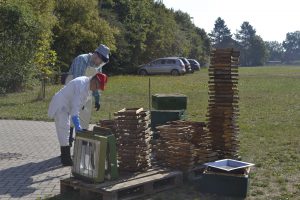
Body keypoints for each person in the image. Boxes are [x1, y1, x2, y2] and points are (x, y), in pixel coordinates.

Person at [48, 73, 108, 166]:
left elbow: (78, 105)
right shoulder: (81, 85)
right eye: (97, 86)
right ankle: (66, 159)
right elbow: (75, 109)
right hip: (61, 105)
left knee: (65, 131)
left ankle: (66, 157)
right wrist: (78, 126)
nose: (97, 89)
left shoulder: (87, 85)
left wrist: (78, 124)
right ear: (94, 80)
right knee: (64, 129)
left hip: (66, 106)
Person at [65, 44, 110, 146]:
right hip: (73, 92)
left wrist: (97, 99)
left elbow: (96, 83)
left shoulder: (98, 66)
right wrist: (79, 100)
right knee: (72, 118)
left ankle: (81, 144)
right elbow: (77, 81)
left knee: (84, 119)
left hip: (86, 94)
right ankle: (67, 145)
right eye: (101, 61)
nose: (101, 63)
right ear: (96, 55)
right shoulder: (81, 60)